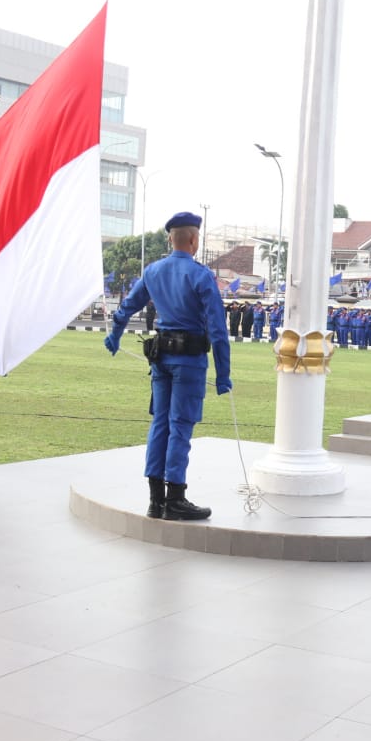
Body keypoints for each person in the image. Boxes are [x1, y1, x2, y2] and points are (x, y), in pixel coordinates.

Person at [105, 211, 232, 521]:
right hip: (189, 362)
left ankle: (155, 500)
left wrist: (115, 336)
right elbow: (217, 329)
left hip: (161, 358)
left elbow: (126, 309)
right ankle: (175, 496)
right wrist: (224, 374)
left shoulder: (153, 271)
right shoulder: (201, 275)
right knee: (180, 426)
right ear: (193, 240)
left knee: (160, 424)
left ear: (170, 239)